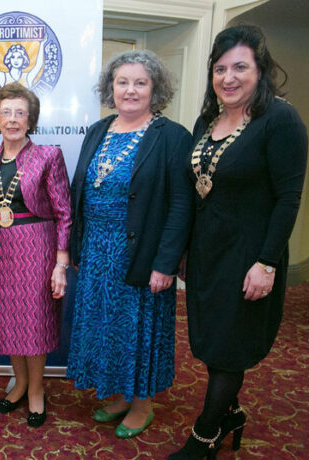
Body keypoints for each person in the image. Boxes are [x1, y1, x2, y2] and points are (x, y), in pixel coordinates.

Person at [166, 25, 307, 460]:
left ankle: (205, 432)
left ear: (260, 70)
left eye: (240, 67)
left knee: (230, 345)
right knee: (212, 341)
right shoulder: (206, 122)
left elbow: (288, 198)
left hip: (249, 255)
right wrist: (186, 250)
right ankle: (230, 414)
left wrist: (266, 263)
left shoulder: (281, 120)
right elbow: (194, 191)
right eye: (220, 68)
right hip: (209, 252)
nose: (228, 77)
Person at [66, 50, 192, 439]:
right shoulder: (98, 130)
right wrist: (77, 246)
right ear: (111, 88)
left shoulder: (172, 137)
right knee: (106, 327)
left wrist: (166, 263)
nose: (130, 90)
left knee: (138, 330)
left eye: (141, 82)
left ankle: (142, 405)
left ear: (155, 90)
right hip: (97, 253)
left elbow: (182, 205)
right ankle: (119, 395)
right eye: (123, 82)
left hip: (141, 253)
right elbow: (81, 191)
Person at [0, 83, 71, 428]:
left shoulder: (48, 156)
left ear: (30, 121)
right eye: (6, 113)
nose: (12, 120)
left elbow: (64, 213)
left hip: (36, 246)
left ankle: (36, 390)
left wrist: (61, 263)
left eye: (20, 113)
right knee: (8, 320)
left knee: (34, 319)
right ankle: (21, 383)